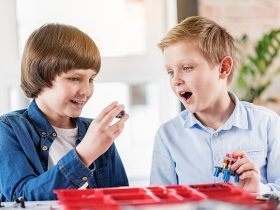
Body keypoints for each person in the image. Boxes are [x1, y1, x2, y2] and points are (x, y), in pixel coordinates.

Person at [150, 16, 280, 194]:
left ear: (223, 68)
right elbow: (159, 202)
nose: (176, 80)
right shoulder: (168, 136)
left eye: (186, 68)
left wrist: (259, 191)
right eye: (170, 72)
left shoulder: (267, 124)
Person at [0, 23, 129, 201]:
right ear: (41, 76)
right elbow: (19, 199)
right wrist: (83, 155)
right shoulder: (9, 129)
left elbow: (121, 198)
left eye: (91, 79)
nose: (86, 91)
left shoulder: (97, 132)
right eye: (75, 78)